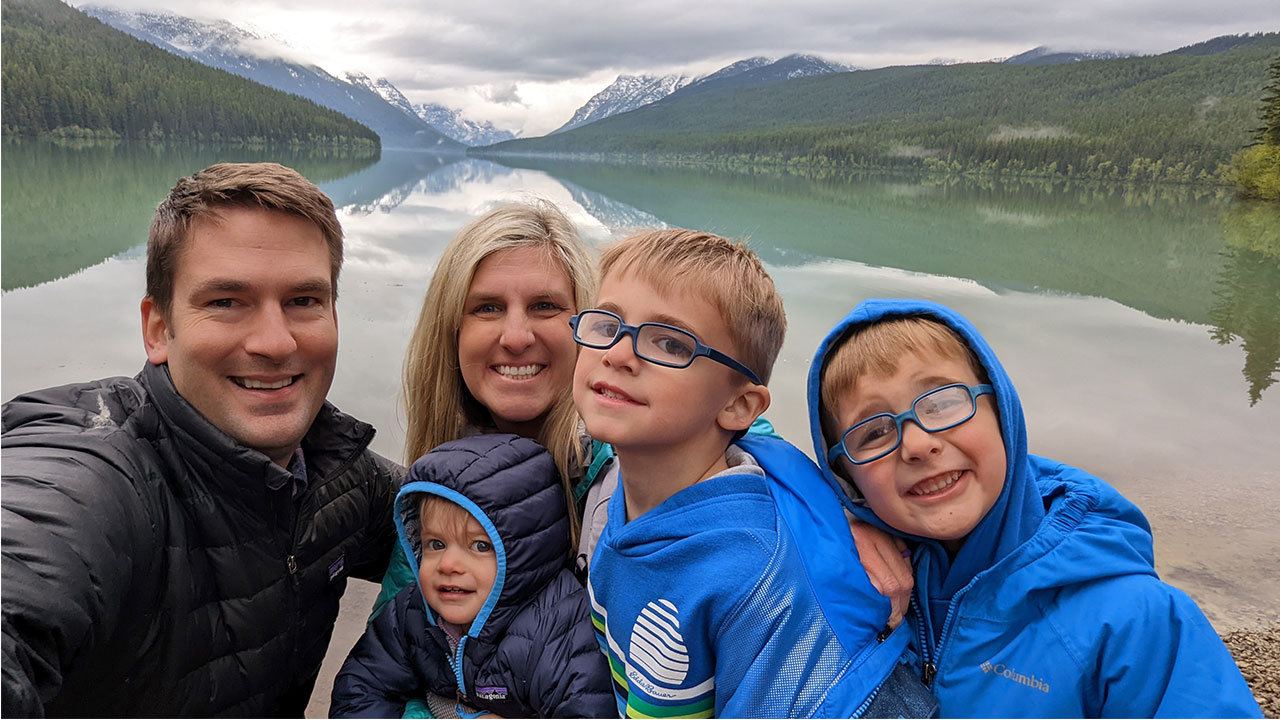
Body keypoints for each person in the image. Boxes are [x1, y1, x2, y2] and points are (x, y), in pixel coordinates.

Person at [1, 162, 401, 717]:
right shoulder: (99, 481)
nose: (274, 341)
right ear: (159, 329)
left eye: (304, 300)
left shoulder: (337, 473)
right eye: (226, 301)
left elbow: (484, 520)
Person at [807, 298, 1263, 718]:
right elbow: (743, 451)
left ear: (1003, 412)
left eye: (944, 402)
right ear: (847, 480)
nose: (919, 444)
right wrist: (838, 522)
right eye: (873, 432)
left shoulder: (1135, 623)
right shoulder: (855, 592)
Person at [574, 230, 937, 718]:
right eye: (608, 323)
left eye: (669, 342)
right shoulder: (620, 488)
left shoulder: (758, 580)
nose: (617, 353)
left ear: (739, 404)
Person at [330, 434, 614, 718]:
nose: (449, 564)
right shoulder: (412, 612)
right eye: (436, 544)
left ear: (526, 552)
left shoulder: (560, 631)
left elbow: (589, 709)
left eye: (480, 546)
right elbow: (362, 684)